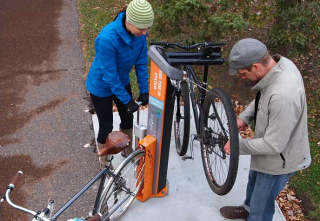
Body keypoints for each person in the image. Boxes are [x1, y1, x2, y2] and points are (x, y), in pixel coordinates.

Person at [221, 38, 311, 221]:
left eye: (243, 73)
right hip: (269, 150)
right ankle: (247, 209)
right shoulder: (279, 65)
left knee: (261, 209)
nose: (242, 78)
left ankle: (253, 215)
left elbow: (273, 146)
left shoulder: (284, 95)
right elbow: (263, 96)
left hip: (278, 161)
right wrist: (244, 118)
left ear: (256, 66)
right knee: (254, 181)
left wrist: (237, 146)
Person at [85, 0, 154, 169]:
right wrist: (126, 99)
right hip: (101, 86)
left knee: (127, 116)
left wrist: (144, 90)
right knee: (106, 125)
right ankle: (104, 161)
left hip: (121, 81)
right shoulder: (107, 38)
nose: (145, 32)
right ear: (129, 22)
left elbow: (140, 62)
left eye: (147, 28)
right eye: (141, 28)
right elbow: (110, 76)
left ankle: (125, 147)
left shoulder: (140, 34)